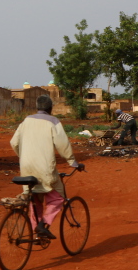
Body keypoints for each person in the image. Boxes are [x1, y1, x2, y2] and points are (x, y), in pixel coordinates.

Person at [10, 95, 84, 239]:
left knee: (34, 199)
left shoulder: (26, 120)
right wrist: (73, 162)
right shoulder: (53, 121)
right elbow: (62, 145)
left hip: (26, 167)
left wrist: (23, 156)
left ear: (37, 107)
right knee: (58, 197)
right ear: (51, 108)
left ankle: (37, 235)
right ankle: (43, 225)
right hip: (44, 169)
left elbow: (14, 142)